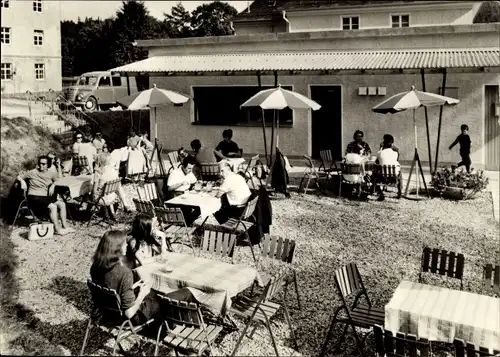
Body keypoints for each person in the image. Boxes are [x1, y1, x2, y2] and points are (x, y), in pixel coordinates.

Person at [90, 230, 194, 325]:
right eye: (124, 243)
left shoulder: (95, 267)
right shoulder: (124, 273)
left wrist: (132, 286)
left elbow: (111, 286)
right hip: (134, 317)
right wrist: (141, 294)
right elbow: (129, 313)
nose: (126, 244)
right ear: (117, 248)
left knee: (153, 290)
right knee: (187, 292)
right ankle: (180, 323)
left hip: (109, 312)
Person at [16, 156, 75, 235]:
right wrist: (22, 182)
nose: (41, 166)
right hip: (34, 197)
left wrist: (54, 184)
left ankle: (65, 226)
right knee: (53, 207)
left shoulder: (51, 173)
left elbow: (58, 181)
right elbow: (19, 176)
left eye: (43, 164)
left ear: (48, 165)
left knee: (62, 204)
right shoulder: (33, 172)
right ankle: (58, 229)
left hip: (45, 197)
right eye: (40, 163)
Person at [374, 134, 402, 201]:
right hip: (393, 177)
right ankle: (399, 192)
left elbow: (376, 162)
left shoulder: (380, 152)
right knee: (400, 173)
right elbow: (396, 161)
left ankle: (380, 193)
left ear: (383, 143)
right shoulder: (396, 152)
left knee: (375, 172)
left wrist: (380, 148)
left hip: (382, 178)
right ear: (392, 143)